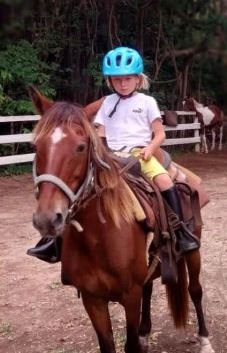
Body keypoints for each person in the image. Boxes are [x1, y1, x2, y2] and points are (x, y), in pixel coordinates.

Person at [28, 46, 199, 262]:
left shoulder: (147, 103)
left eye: (127, 79)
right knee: (82, 189)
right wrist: (100, 151)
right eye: (117, 80)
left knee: (165, 181)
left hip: (140, 154)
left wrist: (149, 149)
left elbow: (160, 134)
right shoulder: (106, 103)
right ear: (110, 82)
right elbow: (99, 132)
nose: (123, 84)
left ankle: (180, 231)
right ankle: (55, 240)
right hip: (113, 155)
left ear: (138, 79)